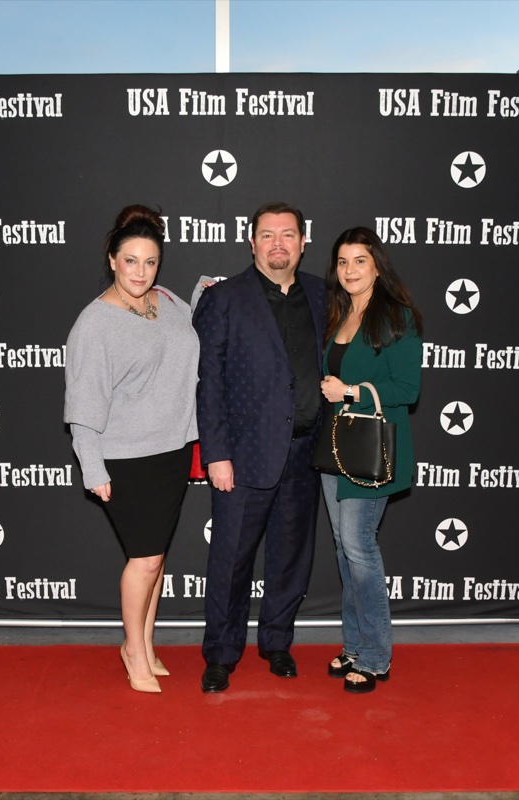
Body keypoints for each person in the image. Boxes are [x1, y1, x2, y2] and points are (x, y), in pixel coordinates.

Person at [192, 201, 328, 693]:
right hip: (243, 455)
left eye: (288, 234)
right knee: (230, 558)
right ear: (251, 243)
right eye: (267, 235)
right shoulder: (224, 297)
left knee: (291, 555)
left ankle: (277, 643)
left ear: (303, 241)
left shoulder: (321, 293)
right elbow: (208, 383)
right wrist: (217, 453)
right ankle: (221, 653)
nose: (278, 243)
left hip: (305, 452)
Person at [63, 204, 199, 694]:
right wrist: (92, 466)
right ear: (112, 260)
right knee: (143, 560)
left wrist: (207, 292)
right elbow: (82, 404)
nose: (141, 271)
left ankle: (144, 642)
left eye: (150, 262)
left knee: (156, 558)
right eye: (131, 261)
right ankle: (133, 653)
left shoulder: (166, 300)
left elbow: (192, 331)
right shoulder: (95, 323)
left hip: (173, 449)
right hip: (124, 458)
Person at [317, 226, 422, 694]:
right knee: (345, 550)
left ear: (377, 265)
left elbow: (408, 389)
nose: (350, 270)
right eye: (342, 262)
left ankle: (377, 656)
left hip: (369, 450)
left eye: (359, 260)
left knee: (360, 549)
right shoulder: (340, 313)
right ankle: (355, 645)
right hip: (336, 447)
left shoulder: (395, 317)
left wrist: (352, 391)